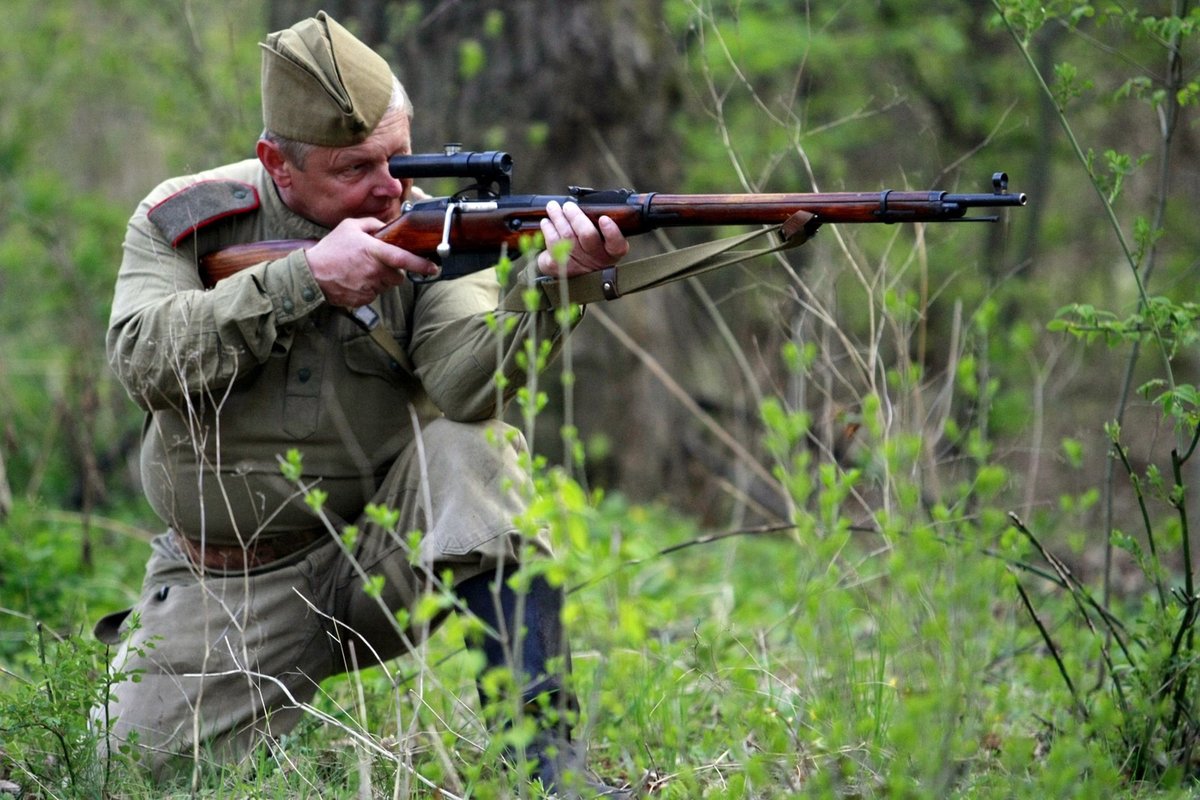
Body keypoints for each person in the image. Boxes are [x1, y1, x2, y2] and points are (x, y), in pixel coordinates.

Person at [94, 11, 632, 798]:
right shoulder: (189, 218)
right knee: (119, 779)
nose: (389, 186)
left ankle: (545, 765)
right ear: (278, 164)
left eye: (399, 155)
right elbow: (142, 359)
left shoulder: (431, 226)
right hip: (229, 583)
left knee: (472, 445)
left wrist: (552, 291)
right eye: (356, 168)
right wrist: (304, 279)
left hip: (383, 557)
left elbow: (464, 387)